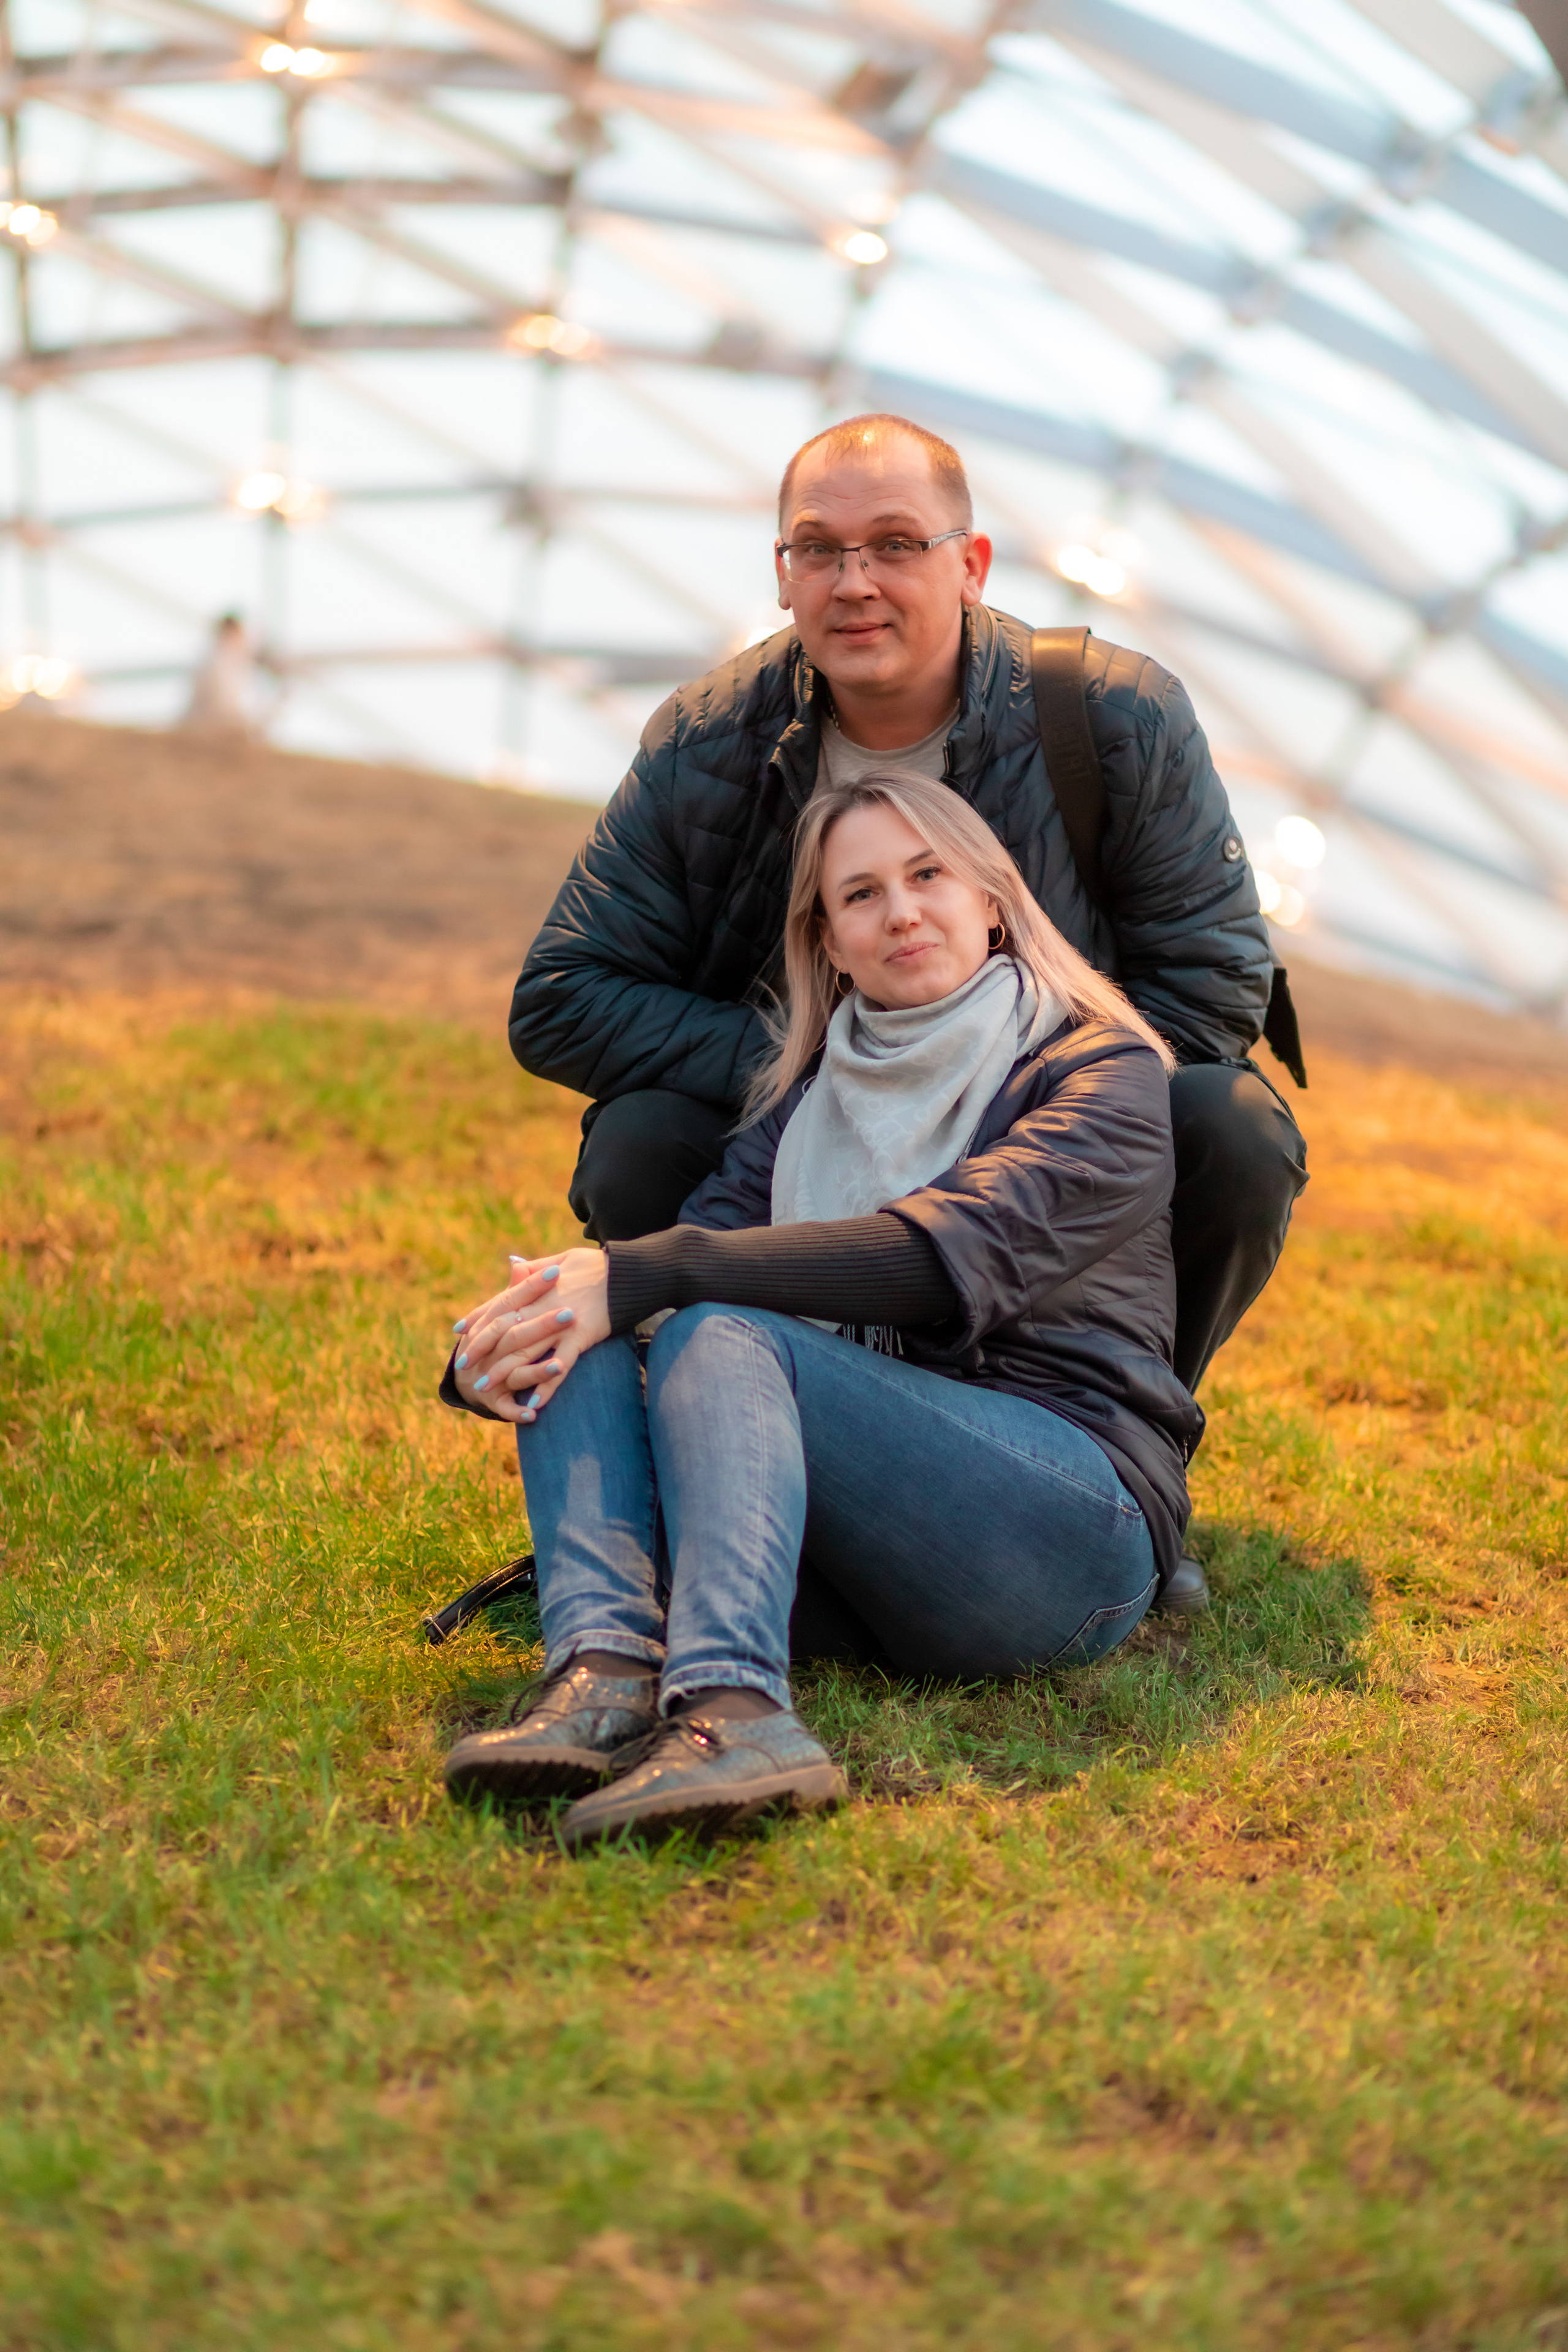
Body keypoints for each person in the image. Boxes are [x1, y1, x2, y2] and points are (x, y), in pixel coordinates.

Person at [507, 413, 1306, 1614]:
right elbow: (563, 996)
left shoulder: (1111, 717)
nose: (855, 582)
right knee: (640, 1138)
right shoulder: (709, 739)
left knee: (1229, 1129)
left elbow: (1210, 989)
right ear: (782, 573)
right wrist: (824, 1074)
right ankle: (725, 1448)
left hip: (1052, 1118)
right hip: (802, 1116)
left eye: (894, 543)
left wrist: (996, 1098)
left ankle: (1118, 1450)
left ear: (969, 564)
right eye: (818, 550)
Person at [440, 771, 1201, 1848]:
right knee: (602, 1307)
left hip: (1064, 1534)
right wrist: (505, 1344)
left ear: (992, 901)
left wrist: (647, 1275)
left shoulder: (1100, 1074)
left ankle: (738, 1713)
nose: (902, 912)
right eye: (861, 894)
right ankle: (603, 1674)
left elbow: (938, 1262)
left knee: (699, 1309)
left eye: (929, 875)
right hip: (859, 1549)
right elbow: (652, 1287)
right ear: (831, 944)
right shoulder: (810, 1103)